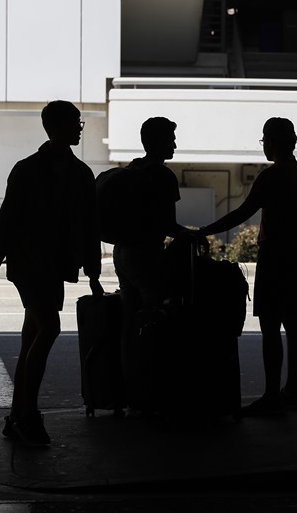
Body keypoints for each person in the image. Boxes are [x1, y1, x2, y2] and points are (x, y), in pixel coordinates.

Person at [0, 101, 103, 446]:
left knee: (33, 334)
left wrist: (93, 271)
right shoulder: (33, 170)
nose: (79, 128)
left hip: (52, 265)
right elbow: (7, 223)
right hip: (31, 264)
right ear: (55, 126)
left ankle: (18, 415)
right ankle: (26, 414)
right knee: (48, 328)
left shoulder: (76, 173)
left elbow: (90, 226)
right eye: (75, 123)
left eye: (80, 123)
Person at [196, 118, 297, 416]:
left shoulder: (270, 177)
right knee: (294, 322)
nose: (263, 145)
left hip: (276, 256)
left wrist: (203, 230)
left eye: (264, 140)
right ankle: (291, 392)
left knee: (271, 328)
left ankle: (272, 395)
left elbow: (242, 213)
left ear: (272, 141)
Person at [109, 116, 187, 417]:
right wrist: (189, 235)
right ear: (158, 141)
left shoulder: (132, 169)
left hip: (122, 253)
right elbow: (168, 224)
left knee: (129, 324)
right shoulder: (163, 176)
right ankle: (151, 389)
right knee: (154, 321)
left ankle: (130, 391)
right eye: (170, 139)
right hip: (145, 255)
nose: (175, 144)